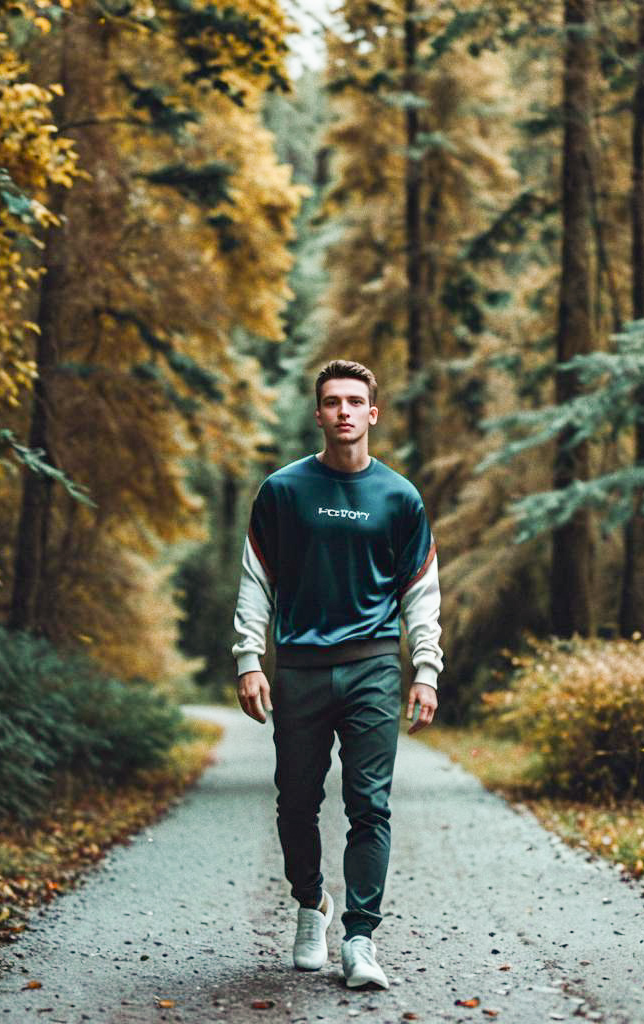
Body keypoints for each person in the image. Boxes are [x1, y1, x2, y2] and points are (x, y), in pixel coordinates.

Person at [232, 359, 443, 990]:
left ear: (372, 414)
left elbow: (421, 593)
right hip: (298, 667)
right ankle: (310, 904)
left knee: (368, 804)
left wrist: (425, 670)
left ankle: (359, 938)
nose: (345, 411)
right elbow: (256, 582)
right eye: (333, 402)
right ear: (318, 413)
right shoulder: (283, 491)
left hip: (373, 666)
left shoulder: (400, 498)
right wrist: (249, 659)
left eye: (356, 401)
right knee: (295, 801)